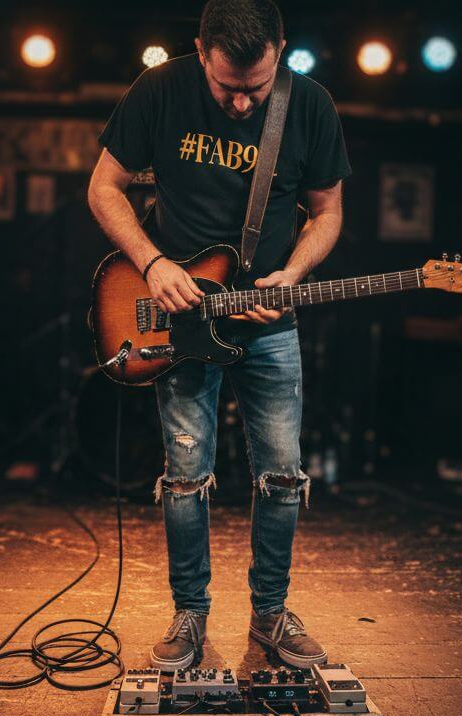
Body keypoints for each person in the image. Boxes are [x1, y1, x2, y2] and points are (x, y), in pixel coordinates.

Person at [87, 0, 350, 670]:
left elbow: (326, 212)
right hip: (177, 318)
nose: (239, 104)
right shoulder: (161, 89)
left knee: (284, 475)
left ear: (281, 52)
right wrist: (152, 263)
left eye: (255, 90)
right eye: (226, 88)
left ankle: (270, 615)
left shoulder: (310, 105)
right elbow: (105, 188)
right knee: (184, 477)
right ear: (200, 51)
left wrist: (292, 272)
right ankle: (189, 616)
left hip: (270, 324)